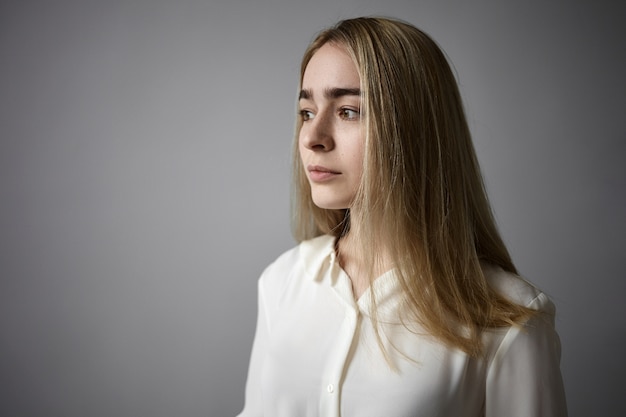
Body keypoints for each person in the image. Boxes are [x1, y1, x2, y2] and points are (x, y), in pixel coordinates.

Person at [237, 16, 567, 417]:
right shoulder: (280, 284)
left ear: (413, 128)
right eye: (307, 111)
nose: (312, 137)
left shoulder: (508, 320)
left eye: (348, 111)